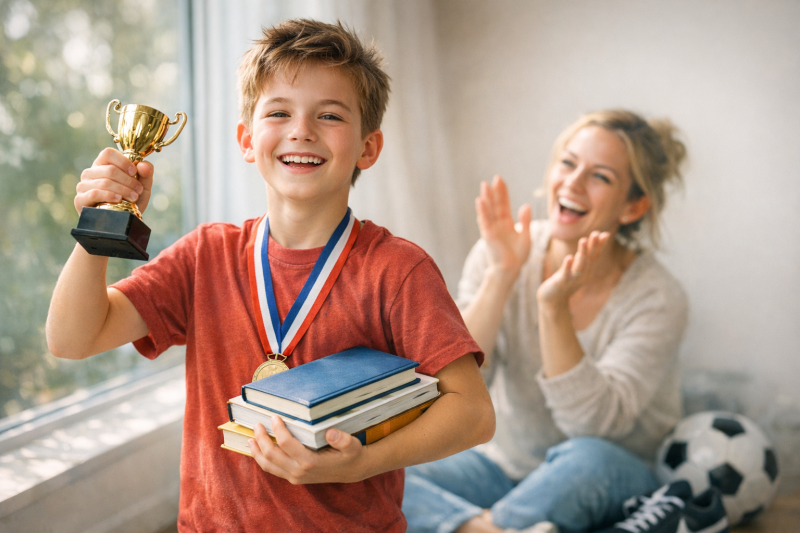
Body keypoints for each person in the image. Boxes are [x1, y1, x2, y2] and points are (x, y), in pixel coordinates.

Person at [46, 19, 495, 533]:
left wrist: (361, 462)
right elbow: (71, 338)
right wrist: (101, 222)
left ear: (368, 148)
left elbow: (474, 413)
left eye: (329, 115)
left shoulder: (398, 269)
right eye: (278, 112)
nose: (301, 130)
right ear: (246, 138)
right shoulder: (205, 255)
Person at [403, 110, 689, 533]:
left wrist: (553, 308)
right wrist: (501, 275)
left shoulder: (657, 297)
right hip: (505, 469)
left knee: (588, 456)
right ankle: (493, 527)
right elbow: (458, 384)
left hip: (609, 472)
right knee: (380, 473)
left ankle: (465, 525)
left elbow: (590, 427)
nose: (572, 183)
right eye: (568, 163)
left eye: (601, 177)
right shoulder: (500, 250)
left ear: (633, 207)